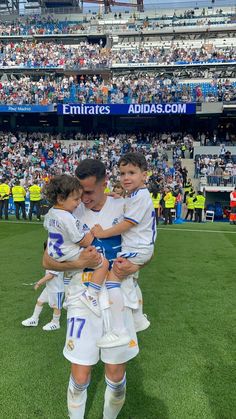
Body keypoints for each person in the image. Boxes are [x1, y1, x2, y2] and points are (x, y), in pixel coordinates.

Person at [43, 158, 147, 419]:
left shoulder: (124, 206)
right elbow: (47, 259)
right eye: (80, 192)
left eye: (89, 192)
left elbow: (146, 248)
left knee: (116, 372)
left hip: (117, 292)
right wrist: (80, 262)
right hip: (81, 293)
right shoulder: (68, 208)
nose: (83, 199)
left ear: (105, 184)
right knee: (80, 373)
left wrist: (135, 267)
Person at [91, 152, 156, 348]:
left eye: (132, 173)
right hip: (140, 247)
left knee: (112, 279)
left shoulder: (140, 197)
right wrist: (116, 195)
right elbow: (128, 204)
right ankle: (138, 319)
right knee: (129, 281)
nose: (126, 177)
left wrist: (102, 234)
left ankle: (119, 331)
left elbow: (127, 223)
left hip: (137, 248)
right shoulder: (136, 195)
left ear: (144, 175)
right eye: (122, 173)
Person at [43, 174, 110, 321]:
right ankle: (91, 294)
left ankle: (69, 298)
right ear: (61, 199)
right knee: (103, 262)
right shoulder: (67, 217)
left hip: (55, 252)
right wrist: (93, 233)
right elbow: (83, 241)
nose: (79, 203)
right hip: (67, 253)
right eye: (75, 199)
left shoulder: (51, 213)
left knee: (73, 273)